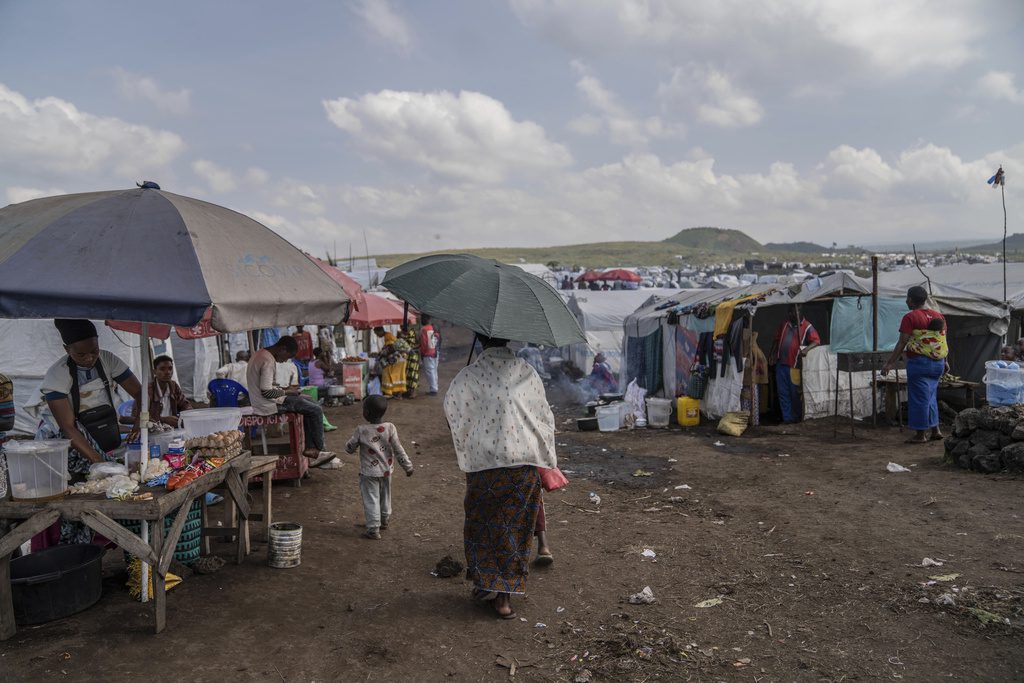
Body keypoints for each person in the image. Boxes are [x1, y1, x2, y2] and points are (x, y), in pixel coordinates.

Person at [444, 335, 556, 620]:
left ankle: (485, 581)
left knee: (481, 525)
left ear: (480, 341)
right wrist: (545, 456)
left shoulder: (469, 375)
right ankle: (502, 598)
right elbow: (543, 416)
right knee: (515, 529)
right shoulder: (527, 372)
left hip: (484, 466)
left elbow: (452, 411)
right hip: (523, 466)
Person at [41, 319, 142, 474]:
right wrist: (98, 461)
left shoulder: (107, 359)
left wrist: (139, 420)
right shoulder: (57, 375)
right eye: (81, 354)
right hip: (71, 437)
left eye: (94, 351)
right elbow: (68, 427)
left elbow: (139, 392)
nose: (89, 358)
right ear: (67, 349)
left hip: (103, 428)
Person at [247, 336, 334, 465]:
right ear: (282, 349)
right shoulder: (268, 360)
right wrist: (287, 392)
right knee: (316, 410)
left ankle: (311, 448)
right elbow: (266, 392)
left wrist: (285, 389)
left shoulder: (260, 354)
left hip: (264, 401)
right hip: (269, 405)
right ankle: (317, 451)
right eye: (287, 356)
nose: (285, 361)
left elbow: (267, 387)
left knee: (310, 401)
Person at [883, 286, 948, 444]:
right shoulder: (938, 316)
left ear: (911, 300)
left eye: (907, 298)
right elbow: (941, 341)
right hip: (938, 363)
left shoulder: (910, 317)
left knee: (919, 398)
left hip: (920, 363)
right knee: (930, 396)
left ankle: (920, 435)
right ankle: (936, 430)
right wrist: (946, 361)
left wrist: (890, 363)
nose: (906, 301)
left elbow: (903, 342)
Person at [345, 395, 414, 540]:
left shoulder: (361, 430)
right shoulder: (390, 428)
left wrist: (350, 447)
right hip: (386, 471)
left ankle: (373, 529)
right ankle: (384, 520)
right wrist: (408, 466)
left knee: (371, 499)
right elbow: (398, 449)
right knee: (385, 496)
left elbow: (350, 448)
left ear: (367, 413)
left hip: (369, 473)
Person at [770, 305, 820, 424]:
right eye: (789, 312)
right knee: (783, 393)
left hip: (795, 365)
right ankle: (787, 419)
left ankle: (797, 418)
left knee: (795, 394)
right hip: (781, 364)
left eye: (793, 313)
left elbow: (816, 341)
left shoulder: (807, 326)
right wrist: (772, 354)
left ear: (799, 313)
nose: (790, 315)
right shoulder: (785, 324)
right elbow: (776, 340)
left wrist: (806, 350)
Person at [134, 355, 191, 427]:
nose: (167, 372)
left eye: (170, 368)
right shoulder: (147, 390)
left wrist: (188, 414)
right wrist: (162, 419)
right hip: (153, 430)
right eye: (162, 369)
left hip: (172, 429)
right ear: (154, 371)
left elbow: (185, 405)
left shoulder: (174, 386)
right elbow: (136, 416)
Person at [377, 328, 408, 398]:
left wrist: (382, 353)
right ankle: (398, 393)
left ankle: (389, 392)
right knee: (399, 375)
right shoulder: (388, 335)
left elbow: (391, 348)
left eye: (377, 333)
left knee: (386, 371)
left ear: (380, 331)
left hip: (399, 358)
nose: (377, 335)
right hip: (401, 358)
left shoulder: (388, 336)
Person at [419, 314, 441, 396]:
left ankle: (433, 389)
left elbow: (424, 343)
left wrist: (423, 352)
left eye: (422, 318)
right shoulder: (434, 327)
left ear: (425, 319)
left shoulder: (424, 329)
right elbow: (438, 339)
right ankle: (435, 387)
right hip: (435, 352)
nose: (421, 320)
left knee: (430, 371)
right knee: (434, 370)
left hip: (428, 353)